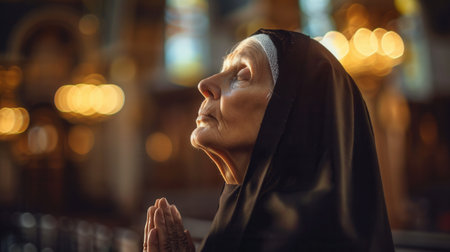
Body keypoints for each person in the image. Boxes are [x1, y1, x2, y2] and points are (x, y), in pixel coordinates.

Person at [142, 29, 395, 252]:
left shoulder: (328, 243)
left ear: (294, 112)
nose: (205, 85)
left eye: (240, 75)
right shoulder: (229, 221)